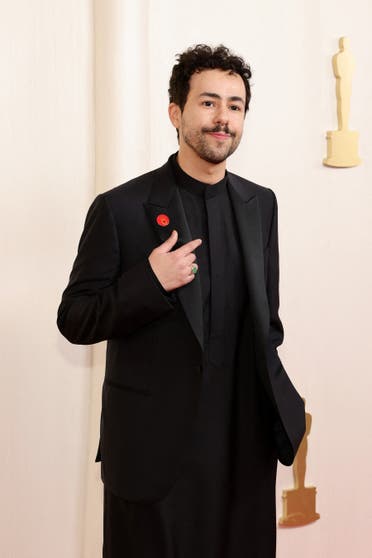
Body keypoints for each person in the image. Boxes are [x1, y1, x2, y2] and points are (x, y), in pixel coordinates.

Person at [57, 44, 306, 558]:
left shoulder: (262, 203)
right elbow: (75, 318)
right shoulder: (121, 208)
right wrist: (148, 280)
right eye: (208, 103)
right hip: (154, 453)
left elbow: (268, 322)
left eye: (235, 106)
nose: (223, 119)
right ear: (177, 113)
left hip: (243, 449)